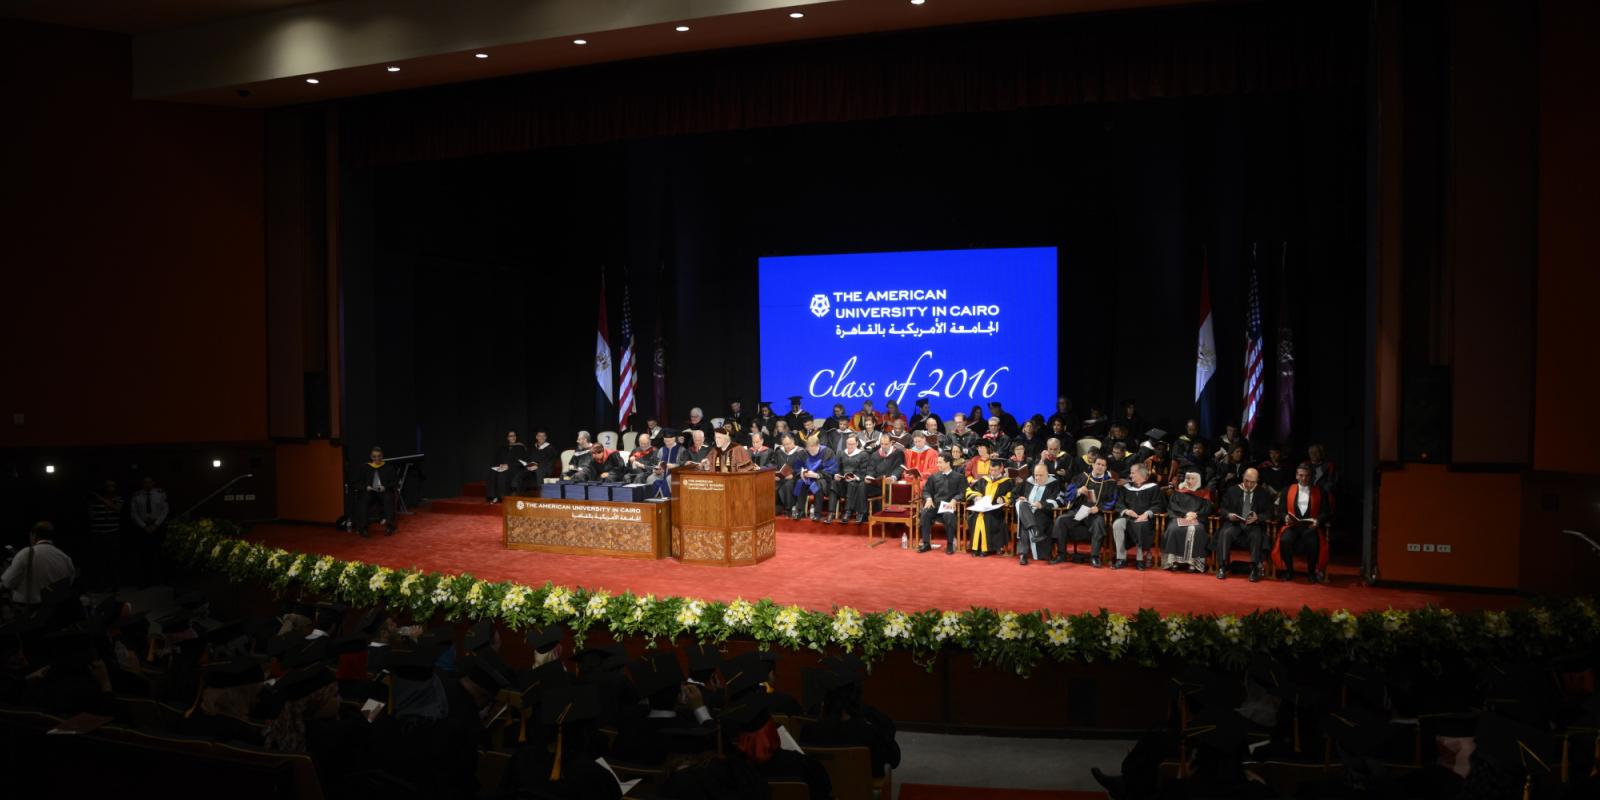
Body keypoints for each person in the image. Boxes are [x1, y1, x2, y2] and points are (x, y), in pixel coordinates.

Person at [1053, 456, 1118, 566]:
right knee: (1061, 520)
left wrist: (1099, 508)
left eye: (1103, 465)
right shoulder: (1081, 477)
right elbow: (1068, 494)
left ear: (1106, 468)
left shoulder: (1110, 483)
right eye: (1098, 464)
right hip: (1078, 511)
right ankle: (1061, 555)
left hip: (1095, 514)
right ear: (1093, 465)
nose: (1100, 467)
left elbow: (1113, 500)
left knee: (1099, 522)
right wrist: (1078, 491)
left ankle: (1095, 557)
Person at [1273, 464, 1329, 583]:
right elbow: (1281, 511)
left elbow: (1326, 512)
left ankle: (1311, 572)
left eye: (1307, 476)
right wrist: (1285, 517)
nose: (1304, 478)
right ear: (1296, 476)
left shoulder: (1320, 491)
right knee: (1285, 540)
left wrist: (1317, 520)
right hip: (1292, 525)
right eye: (1301, 475)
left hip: (1310, 526)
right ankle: (1289, 570)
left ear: (1311, 477)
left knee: (1312, 541)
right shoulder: (1287, 490)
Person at [1216, 467, 1273, 582]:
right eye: (1246, 480)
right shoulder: (1232, 490)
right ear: (1243, 477)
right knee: (1225, 533)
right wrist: (1229, 515)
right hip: (1234, 524)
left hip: (1253, 525)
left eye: (1253, 482)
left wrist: (1258, 517)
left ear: (1257, 481)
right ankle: (1222, 567)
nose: (1249, 484)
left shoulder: (1263, 493)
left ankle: (1254, 568)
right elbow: (1222, 509)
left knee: (1257, 535)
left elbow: (1269, 512)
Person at [1, 522, 75, 605]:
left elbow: (8, 583)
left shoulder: (26, 553)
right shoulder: (65, 557)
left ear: (33, 535)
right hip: (55, 609)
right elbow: (68, 584)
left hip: (29, 609)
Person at [1113, 463, 1165, 571]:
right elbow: (1119, 504)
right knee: (1117, 524)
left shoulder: (1153, 488)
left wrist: (1147, 513)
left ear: (1141, 473)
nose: (1130, 475)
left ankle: (1140, 559)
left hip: (1145, 519)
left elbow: (1158, 505)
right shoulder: (1126, 488)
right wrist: (1126, 511)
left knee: (1140, 525)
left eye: (1133, 473)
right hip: (1128, 518)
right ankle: (1121, 558)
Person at [1014, 463, 1062, 566]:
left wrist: (1042, 504)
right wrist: (1020, 498)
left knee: (1025, 524)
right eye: (1036, 475)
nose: (1038, 478)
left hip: (1043, 514)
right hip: (1027, 510)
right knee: (1021, 503)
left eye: (1041, 475)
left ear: (1047, 474)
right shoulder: (1029, 482)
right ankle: (1034, 529)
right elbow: (1015, 494)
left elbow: (1059, 500)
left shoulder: (1054, 484)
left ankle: (1023, 554)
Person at [1163, 471, 1212, 572]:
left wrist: (1196, 515)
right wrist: (1185, 514)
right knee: (1173, 529)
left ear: (1198, 480)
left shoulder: (1204, 493)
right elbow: (1172, 507)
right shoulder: (1179, 492)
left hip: (1197, 519)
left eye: (1192, 478)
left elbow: (1207, 510)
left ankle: (1193, 563)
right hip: (1179, 517)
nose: (1189, 481)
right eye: (1188, 478)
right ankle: (1174, 562)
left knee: (1198, 531)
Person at [964, 460, 1013, 557]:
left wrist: (1003, 499)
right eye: (991, 470)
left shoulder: (1007, 482)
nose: (993, 473)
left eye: (995, 470)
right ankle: (975, 547)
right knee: (974, 518)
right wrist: (976, 497)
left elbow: (1011, 495)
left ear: (1001, 469)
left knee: (987, 518)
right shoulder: (983, 480)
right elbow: (970, 490)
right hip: (981, 508)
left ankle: (986, 549)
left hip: (997, 511)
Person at [917, 453, 964, 553]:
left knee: (948, 515)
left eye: (940, 462)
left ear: (947, 463)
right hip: (936, 504)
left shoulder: (958, 477)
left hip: (949, 505)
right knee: (925, 512)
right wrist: (928, 498)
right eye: (937, 462)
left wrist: (955, 499)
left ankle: (950, 544)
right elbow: (926, 490)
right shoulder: (934, 477)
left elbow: (962, 492)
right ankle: (926, 543)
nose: (937, 464)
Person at [128, 476, 169, 583]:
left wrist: (156, 524)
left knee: (159, 553)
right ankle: (145, 580)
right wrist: (143, 526)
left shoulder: (160, 494)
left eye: (149, 482)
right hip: (143, 527)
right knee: (144, 555)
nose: (147, 484)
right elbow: (134, 513)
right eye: (145, 482)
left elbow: (165, 510)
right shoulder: (137, 496)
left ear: (153, 483)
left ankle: (161, 579)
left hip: (157, 526)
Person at [350, 446, 397, 537]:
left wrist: (385, 487)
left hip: (383, 491)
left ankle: (390, 526)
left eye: (379, 456)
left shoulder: (388, 468)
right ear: (371, 457)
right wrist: (365, 487)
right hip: (369, 492)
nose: (377, 458)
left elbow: (395, 481)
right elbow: (355, 482)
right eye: (374, 456)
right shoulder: (364, 467)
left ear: (382, 456)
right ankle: (363, 528)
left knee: (388, 498)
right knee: (364, 499)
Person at [792, 436, 837, 522]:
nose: (811, 452)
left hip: (823, 479)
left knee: (817, 484)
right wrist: (801, 473)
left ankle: (817, 513)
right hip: (807, 479)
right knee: (800, 482)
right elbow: (796, 469)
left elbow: (832, 471)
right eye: (809, 449)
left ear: (818, 445)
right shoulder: (803, 453)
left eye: (813, 449)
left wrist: (817, 475)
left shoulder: (827, 452)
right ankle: (800, 510)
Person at [828, 435, 871, 524]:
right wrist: (836, 475)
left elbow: (864, 471)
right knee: (833, 483)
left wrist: (856, 477)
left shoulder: (863, 454)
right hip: (843, 481)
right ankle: (831, 512)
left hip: (855, 482)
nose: (850, 446)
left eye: (852, 444)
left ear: (857, 443)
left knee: (852, 484)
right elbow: (837, 468)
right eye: (848, 444)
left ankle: (848, 512)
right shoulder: (841, 453)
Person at [486, 430, 530, 504]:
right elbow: (498, 460)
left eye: (514, 436)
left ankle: (502, 497)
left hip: (514, 469)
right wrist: (500, 465)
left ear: (516, 437)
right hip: (503, 467)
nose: (512, 437)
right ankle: (493, 496)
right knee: (492, 472)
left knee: (502, 474)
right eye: (510, 436)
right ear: (507, 438)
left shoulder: (520, 448)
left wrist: (509, 466)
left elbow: (522, 462)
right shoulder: (503, 448)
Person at [772, 433, 803, 515]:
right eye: (784, 444)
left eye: (788, 444)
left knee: (788, 485)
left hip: (794, 478)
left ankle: (789, 508)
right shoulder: (779, 452)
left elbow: (803, 467)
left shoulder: (800, 452)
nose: (787, 446)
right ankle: (776, 508)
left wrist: (794, 475)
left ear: (793, 441)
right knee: (773, 484)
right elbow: (775, 465)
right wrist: (776, 475)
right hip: (781, 478)